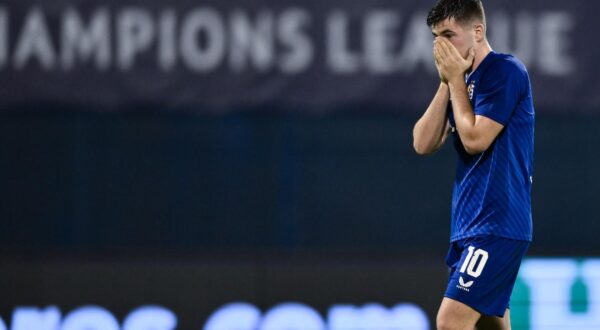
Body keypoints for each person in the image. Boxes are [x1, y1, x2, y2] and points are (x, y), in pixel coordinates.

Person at [412, 0, 535, 329]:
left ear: (478, 31)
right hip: (470, 225)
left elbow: (475, 138)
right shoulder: (460, 83)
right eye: (436, 38)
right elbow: (423, 142)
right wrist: (446, 82)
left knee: (451, 321)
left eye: (449, 35)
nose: (441, 46)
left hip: (497, 223)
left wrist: (455, 82)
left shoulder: (504, 71)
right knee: (488, 325)